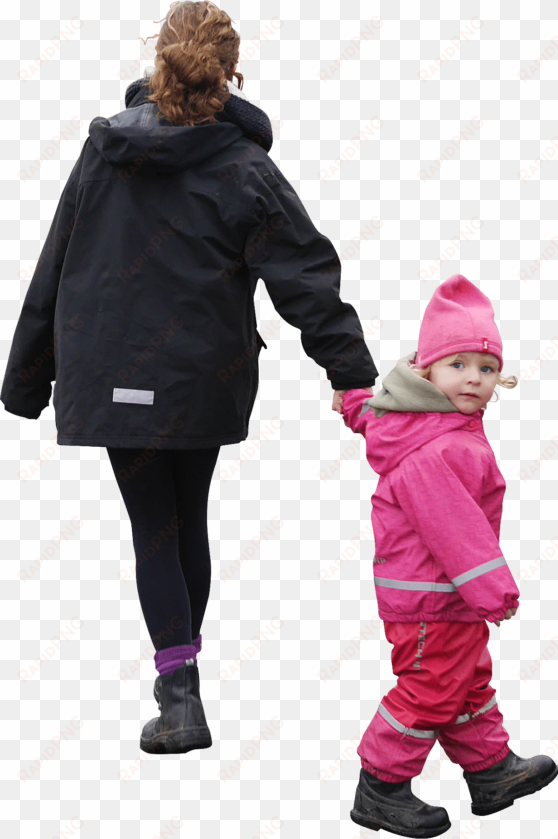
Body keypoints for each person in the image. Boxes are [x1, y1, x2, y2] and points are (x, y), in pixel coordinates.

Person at [0, 1, 377, 754]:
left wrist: (25, 379)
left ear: (156, 59)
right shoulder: (245, 166)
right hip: (204, 376)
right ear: (231, 69)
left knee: (154, 527)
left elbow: (57, 260)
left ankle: (180, 695)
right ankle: (183, 682)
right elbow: (304, 272)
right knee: (185, 517)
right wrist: (351, 370)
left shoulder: (104, 155)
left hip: (112, 370)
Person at [341, 274, 558, 837]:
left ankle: (490, 772)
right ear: (426, 372)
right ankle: (381, 787)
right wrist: (494, 590)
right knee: (430, 687)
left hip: (445, 597)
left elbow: (374, 415)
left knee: (466, 682)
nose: (474, 379)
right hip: (431, 599)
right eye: (458, 365)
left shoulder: (424, 424)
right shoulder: (443, 445)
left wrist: (357, 404)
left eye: (486, 369)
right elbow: (455, 531)